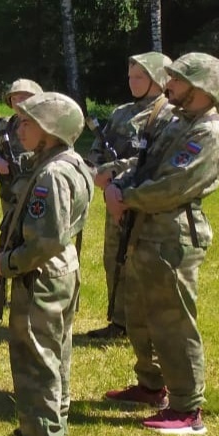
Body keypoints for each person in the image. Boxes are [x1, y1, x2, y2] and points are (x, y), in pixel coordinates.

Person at [104, 53, 219, 436]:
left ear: (201, 88)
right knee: (140, 313)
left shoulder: (210, 133)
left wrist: (125, 197)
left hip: (172, 235)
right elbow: (144, 163)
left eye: (176, 80)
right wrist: (117, 180)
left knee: (173, 320)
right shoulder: (176, 121)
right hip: (146, 228)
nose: (168, 84)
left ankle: (187, 408)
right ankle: (152, 385)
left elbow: (173, 185)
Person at [0, 92, 92, 436]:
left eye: (28, 122)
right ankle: (51, 431)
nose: (20, 127)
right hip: (60, 270)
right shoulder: (70, 163)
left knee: (36, 358)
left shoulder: (51, 174)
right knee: (56, 352)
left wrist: (9, 262)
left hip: (41, 274)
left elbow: (46, 239)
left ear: (50, 131)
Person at [84, 52, 172, 340]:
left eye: (140, 77)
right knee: (114, 258)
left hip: (141, 199)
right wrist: (96, 169)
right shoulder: (123, 112)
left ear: (159, 79)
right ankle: (118, 321)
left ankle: (140, 325)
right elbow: (98, 146)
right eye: (131, 77)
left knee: (139, 263)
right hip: (113, 199)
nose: (133, 83)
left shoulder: (168, 116)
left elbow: (151, 160)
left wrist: (112, 171)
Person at [0, 79, 42, 217]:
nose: (17, 103)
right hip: (9, 193)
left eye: (23, 98)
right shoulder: (5, 125)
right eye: (14, 99)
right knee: (10, 232)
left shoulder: (45, 127)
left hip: (37, 191)